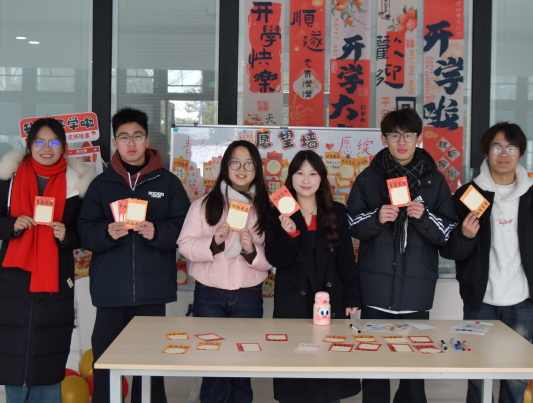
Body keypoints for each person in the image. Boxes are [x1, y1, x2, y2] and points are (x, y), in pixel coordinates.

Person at [345, 108, 471, 403]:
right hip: (375, 293)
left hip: (416, 295)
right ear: (384, 139)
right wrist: (377, 217)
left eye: (408, 135)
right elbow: (351, 224)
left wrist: (423, 217)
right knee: (374, 371)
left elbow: (447, 232)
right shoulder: (368, 178)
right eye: (394, 135)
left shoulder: (434, 181)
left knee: (414, 373)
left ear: (418, 138)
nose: (401, 142)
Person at [0, 118, 95, 403]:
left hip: (54, 278)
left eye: (54, 142)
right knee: (13, 357)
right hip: (14, 279)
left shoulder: (77, 183)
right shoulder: (10, 178)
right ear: (29, 145)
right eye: (39, 142)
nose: (46, 148)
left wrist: (67, 235)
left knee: (47, 359)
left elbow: (86, 230)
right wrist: (12, 225)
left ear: (63, 147)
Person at [78, 107, 190, 403]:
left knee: (149, 363)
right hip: (110, 289)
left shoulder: (167, 183)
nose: (131, 143)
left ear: (147, 140)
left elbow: (184, 226)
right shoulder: (101, 184)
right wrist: (106, 233)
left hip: (152, 288)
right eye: (124, 137)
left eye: (137, 136)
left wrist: (158, 232)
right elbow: (84, 229)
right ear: (115, 142)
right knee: (105, 363)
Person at [449, 122, 533, 403]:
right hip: (479, 299)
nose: (504, 154)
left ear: (520, 153)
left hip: (520, 300)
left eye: (511, 148)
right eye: (497, 147)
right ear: (486, 152)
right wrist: (465, 236)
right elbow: (450, 250)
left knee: (515, 374)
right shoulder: (468, 195)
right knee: (477, 370)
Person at [177, 140, 272, 403]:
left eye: (248, 164)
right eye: (235, 163)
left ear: (257, 169)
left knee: (243, 367)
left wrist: (251, 250)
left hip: (248, 296)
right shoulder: (203, 205)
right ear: (225, 167)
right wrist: (213, 243)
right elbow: (184, 245)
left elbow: (274, 256)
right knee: (213, 366)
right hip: (209, 295)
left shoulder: (265, 208)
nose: (241, 169)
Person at [266, 150, 362, 403]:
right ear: (291, 178)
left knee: (328, 370)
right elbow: (276, 259)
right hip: (292, 300)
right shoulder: (277, 212)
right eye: (299, 173)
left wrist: (352, 297)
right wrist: (289, 234)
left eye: (313, 173)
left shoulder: (336, 211)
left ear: (322, 178)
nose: (306, 180)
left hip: (330, 299)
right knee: (295, 372)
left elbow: (346, 259)